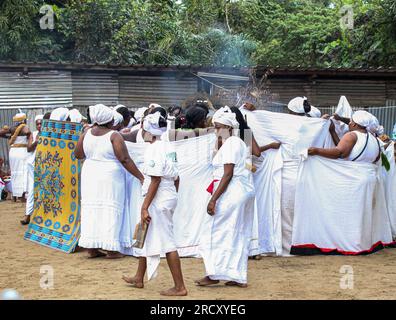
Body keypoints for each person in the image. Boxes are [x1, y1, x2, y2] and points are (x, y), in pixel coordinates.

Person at [122, 112, 187, 296]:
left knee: (167, 242)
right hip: (166, 194)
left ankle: (180, 286)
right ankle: (139, 277)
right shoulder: (168, 146)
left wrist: (145, 207)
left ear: (148, 130)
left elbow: (156, 180)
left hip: (159, 195)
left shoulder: (154, 149)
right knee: (144, 231)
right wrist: (171, 197)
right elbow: (176, 178)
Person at [195, 107, 255, 288]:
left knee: (215, 232)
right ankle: (236, 276)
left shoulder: (231, 144)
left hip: (232, 193)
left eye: (219, 127)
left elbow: (227, 174)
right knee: (234, 233)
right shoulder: (234, 143)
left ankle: (214, 274)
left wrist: (213, 199)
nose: (216, 130)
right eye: (214, 127)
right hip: (240, 191)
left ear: (228, 127)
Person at [75, 104, 144, 259]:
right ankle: (111, 249)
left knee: (91, 209)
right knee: (111, 209)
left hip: (90, 173)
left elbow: (78, 154)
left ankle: (92, 248)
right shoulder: (114, 136)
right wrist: (140, 176)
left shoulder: (86, 133)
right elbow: (125, 159)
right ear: (109, 120)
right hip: (109, 176)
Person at [308, 110, 381, 163]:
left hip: (354, 178)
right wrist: (333, 131)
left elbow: (340, 153)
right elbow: (377, 159)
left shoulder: (352, 135)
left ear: (354, 124)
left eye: (351, 121)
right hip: (370, 178)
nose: (349, 123)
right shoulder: (374, 139)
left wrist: (316, 151)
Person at [20, 115, 43, 225]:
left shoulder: (49, 134)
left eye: (41, 123)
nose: (39, 126)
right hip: (33, 165)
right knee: (31, 189)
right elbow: (29, 149)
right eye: (37, 124)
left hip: (44, 166)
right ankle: (27, 215)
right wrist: (36, 141)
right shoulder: (32, 135)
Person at [5, 112, 31, 202]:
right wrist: (29, 136)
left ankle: (15, 194)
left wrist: (8, 136)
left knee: (15, 172)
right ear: (23, 120)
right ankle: (22, 194)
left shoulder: (11, 128)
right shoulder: (23, 126)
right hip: (21, 151)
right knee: (23, 171)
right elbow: (27, 131)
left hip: (13, 152)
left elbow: (1, 133)